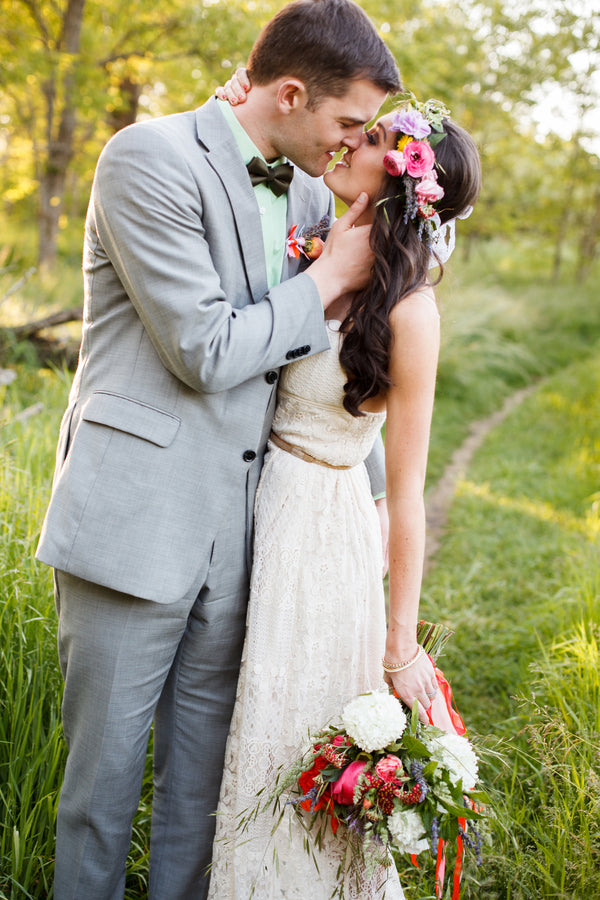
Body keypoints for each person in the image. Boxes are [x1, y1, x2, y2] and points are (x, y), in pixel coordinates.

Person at [34, 2, 401, 898]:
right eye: (349, 123)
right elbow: (203, 351)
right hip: (135, 524)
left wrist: (368, 506)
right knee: (100, 793)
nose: (356, 145)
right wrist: (326, 278)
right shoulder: (145, 159)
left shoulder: (315, 196)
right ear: (288, 92)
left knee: (202, 796)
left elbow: (331, 370)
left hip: (253, 540)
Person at [208, 78, 482, 899]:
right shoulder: (313, 232)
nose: (347, 139)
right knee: (246, 728)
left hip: (325, 530)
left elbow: (406, 494)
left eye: (368, 139)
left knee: (295, 735)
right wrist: (229, 103)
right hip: (253, 502)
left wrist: (401, 642)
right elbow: (259, 148)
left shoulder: (411, 313)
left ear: (399, 176)